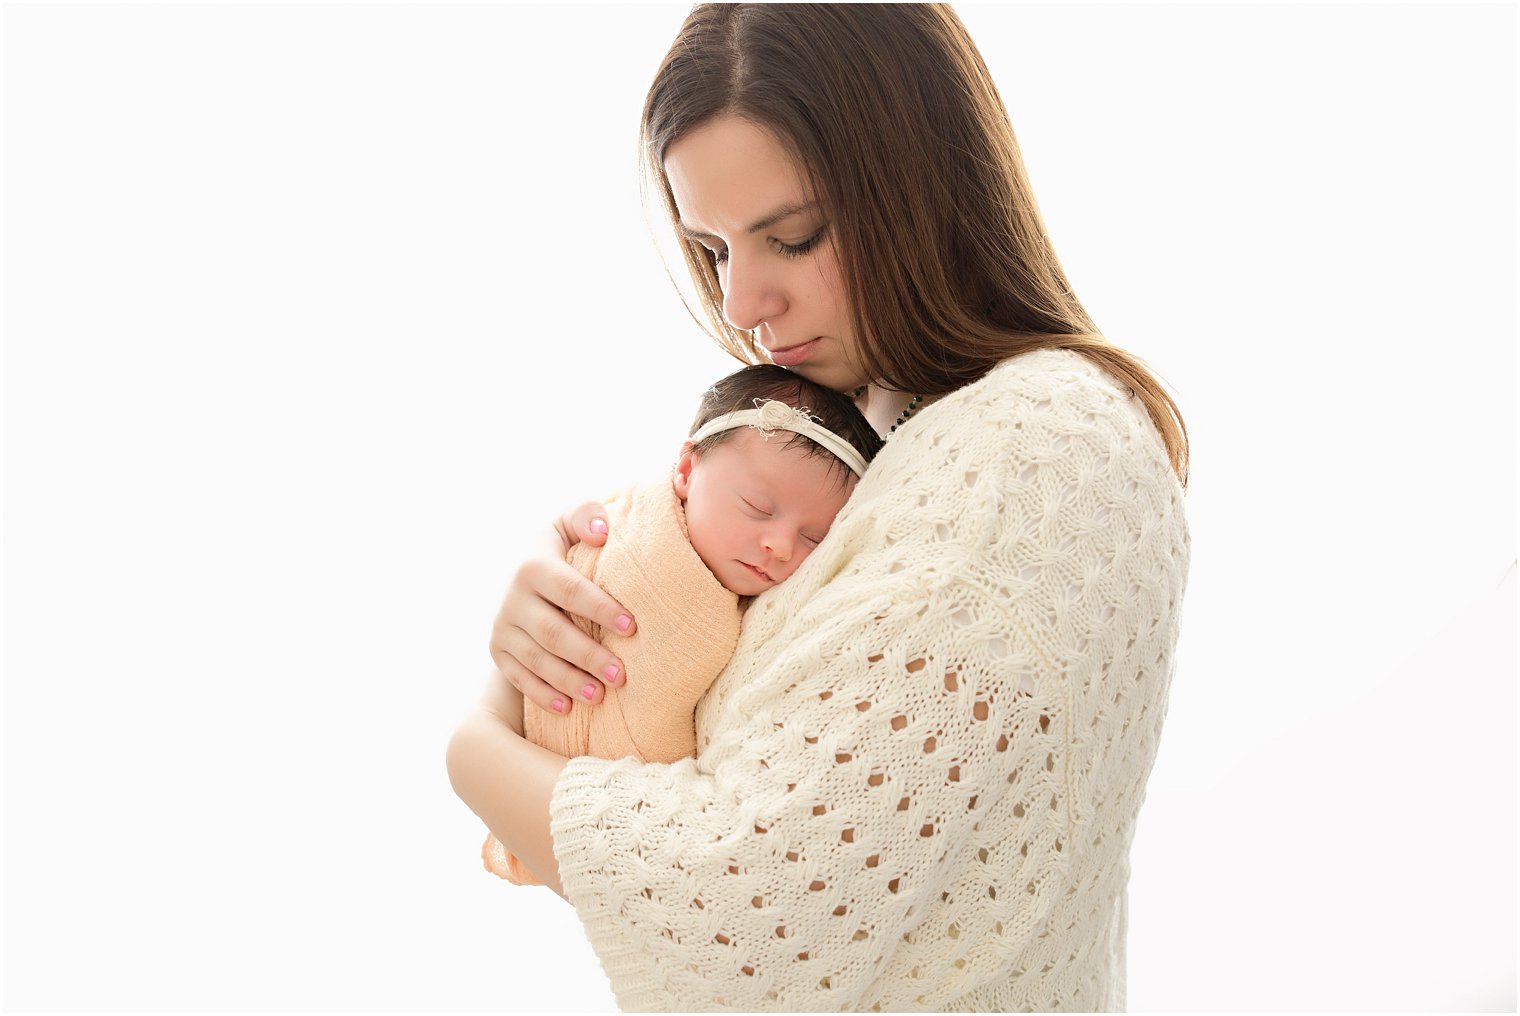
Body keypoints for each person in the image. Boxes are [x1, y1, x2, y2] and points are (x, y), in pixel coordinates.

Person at [446, 4, 1190, 1010]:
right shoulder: (890, 429)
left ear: (926, 186)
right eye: (711, 251)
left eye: (789, 237)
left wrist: (476, 743)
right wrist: (558, 623)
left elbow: (734, 920)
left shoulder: (1026, 454)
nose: (745, 301)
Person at [481, 363, 883, 886]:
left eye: (814, 538)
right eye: (757, 507)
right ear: (687, 472)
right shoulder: (629, 523)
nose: (781, 546)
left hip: (609, 824)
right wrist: (557, 535)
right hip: (530, 754)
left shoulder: (774, 615)